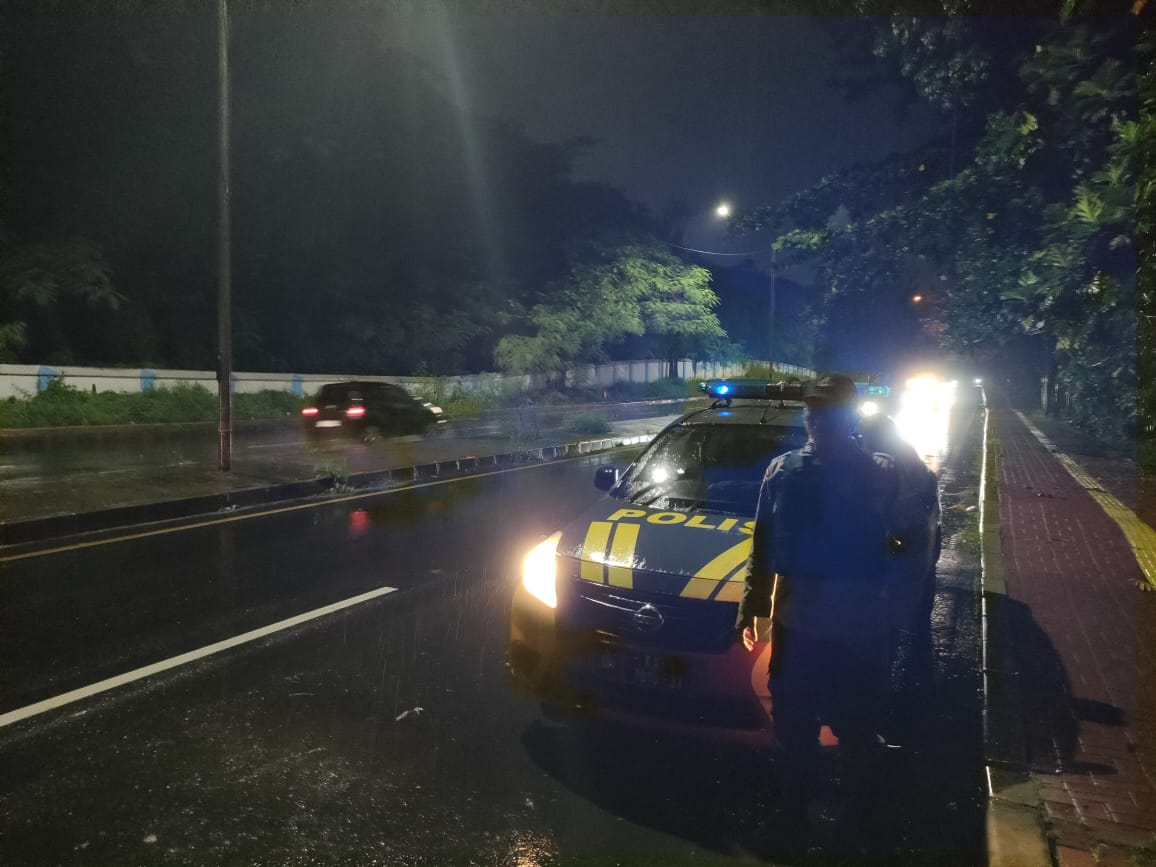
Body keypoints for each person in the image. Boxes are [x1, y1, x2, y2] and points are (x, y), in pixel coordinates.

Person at [736, 373, 899, 844]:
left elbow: (908, 541)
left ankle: (858, 818)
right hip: (799, 621)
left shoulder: (882, 473)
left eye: (827, 411)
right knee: (794, 721)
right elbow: (763, 542)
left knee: (855, 724)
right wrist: (752, 605)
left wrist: (898, 603)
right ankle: (794, 811)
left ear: (849, 418)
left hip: (857, 625)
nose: (816, 419)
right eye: (812, 410)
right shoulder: (782, 471)